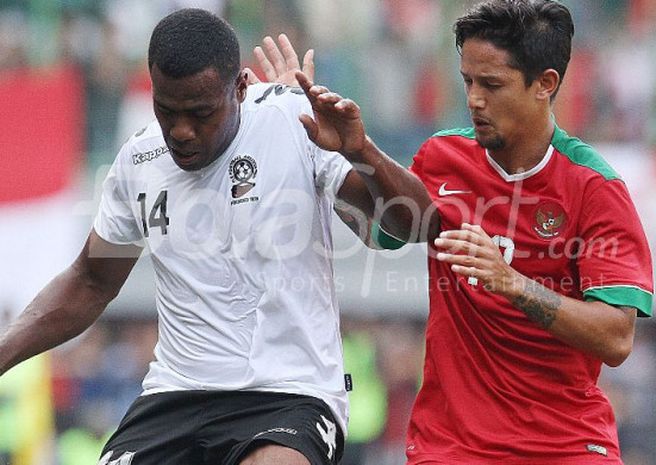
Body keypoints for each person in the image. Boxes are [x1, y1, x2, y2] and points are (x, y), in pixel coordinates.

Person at [0, 8, 378, 465]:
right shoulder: (138, 161)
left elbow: (391, 227)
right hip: (176, 395)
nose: (181, 130)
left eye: (201, 113)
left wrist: (360, 151)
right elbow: (91, 281)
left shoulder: (294, 122)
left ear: (239, 87)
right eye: (167, 110)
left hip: (288, 396)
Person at [288, 0, 654, 463]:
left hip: (565, 445)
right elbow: (385, 227)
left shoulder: (594, 188)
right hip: (452, 446)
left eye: (492, 84)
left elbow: (616, 338)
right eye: (468, 81)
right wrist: (338, 147)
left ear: (546, 84)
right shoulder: (443, 157)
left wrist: (514, 284)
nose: (475, 99)